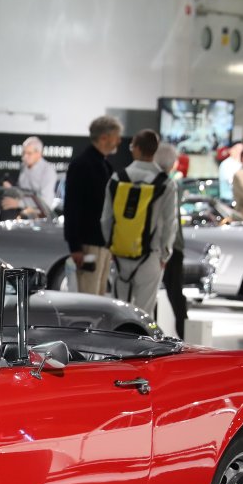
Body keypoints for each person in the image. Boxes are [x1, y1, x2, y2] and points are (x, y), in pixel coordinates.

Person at [100, 129, 176, 319]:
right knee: (144, 315)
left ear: (136, 148)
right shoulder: (166, 183)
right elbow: (170, 223)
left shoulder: (117, 178)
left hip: (120, 255)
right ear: (155, 150)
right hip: (151, 256)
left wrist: (111, 246)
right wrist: (165, 255)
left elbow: (106, 219)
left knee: (119, 313)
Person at [63, 115, 121, 296]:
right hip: (88, 243)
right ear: (104, 137)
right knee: (88, 296)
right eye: (116, 137)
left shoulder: (104, 165)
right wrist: (75, 246)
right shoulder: (83, 165)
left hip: (102, 243)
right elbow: (72, 206)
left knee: (98, 296)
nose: (119, 141)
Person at [155, 142, 188, 339]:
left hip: (157, 248)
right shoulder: (170, 185)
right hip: (172, 247)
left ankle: (152, 337)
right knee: (176, 295)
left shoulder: (156, 183)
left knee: (154, 294)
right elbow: (171, 222)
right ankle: (184, 336)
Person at [9, 135, 57, 215]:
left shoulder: (48, 171)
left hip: (41, 214)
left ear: (39, 154)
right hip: (21, 210)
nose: (24, 157)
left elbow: (45, 202)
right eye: (23, 153)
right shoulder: (23, 166)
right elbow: (22, 189)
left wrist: (19, 203)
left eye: (29, 153)